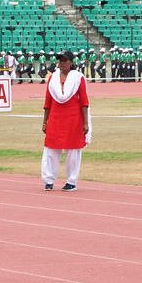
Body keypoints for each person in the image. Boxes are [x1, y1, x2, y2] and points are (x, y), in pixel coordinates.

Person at [41, 51, 90, 192]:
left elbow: (84, 101)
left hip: (74, 119)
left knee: (73, 151)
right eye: (60, 60)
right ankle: (48, 180)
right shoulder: (53, 79)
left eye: (65, 60)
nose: (62, 63)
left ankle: (71, 181)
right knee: (51, 150)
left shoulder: (78, 78)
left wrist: (85, 123)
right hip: (55, 118)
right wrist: (45, 121)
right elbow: (48, 102)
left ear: (71, 62)